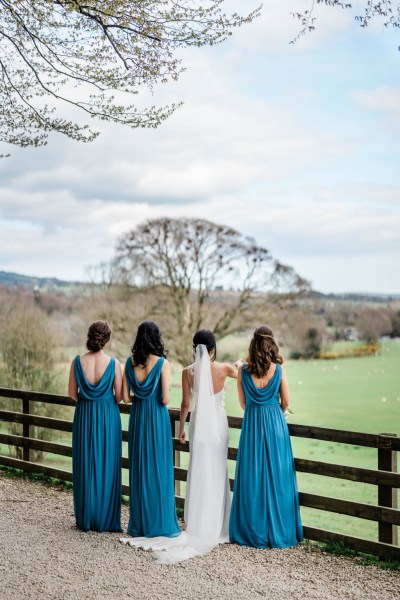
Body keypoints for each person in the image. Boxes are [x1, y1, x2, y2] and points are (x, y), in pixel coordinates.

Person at [121, 329, 238, 563]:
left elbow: (185, 404)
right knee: (217, 471)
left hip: (194, 425)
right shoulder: (224, 368)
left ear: (195, 349)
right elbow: (243, 376)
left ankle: (195, 522)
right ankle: (218, 524)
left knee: (196, 469)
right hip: (217, 424)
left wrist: (182, 428)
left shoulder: (187, 372)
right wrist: (240, 364)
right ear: (213, 349)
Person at [229, 325, 303, 549]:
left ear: (253, 344)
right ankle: (279, 530)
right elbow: (287, 402)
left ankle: (252, 531)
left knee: (253, 476)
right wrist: (274, 410)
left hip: (252, 424)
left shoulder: (243, 371)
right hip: (274, 425)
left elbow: (243, 403)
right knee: (277, 476)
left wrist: (256, 406)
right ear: (271, 344)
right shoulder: (279, 369)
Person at [120, 321, 180, 540]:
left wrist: (140, 397)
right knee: (159, 469)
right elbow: (165, 398)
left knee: (139, 467)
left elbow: (126, 398)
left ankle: (140, 524)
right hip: (156, 418)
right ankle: (160, 523)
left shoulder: (130, 362)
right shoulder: (163, 364)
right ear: (157, 338)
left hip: (137, 417)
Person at [68, 320, 123, 532]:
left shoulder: (76, 362)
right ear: (106, 340)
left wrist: (88, 399)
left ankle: (86, 518)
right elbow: (119, 396)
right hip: (108, 416)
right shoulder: (113, 364)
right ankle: (105, 518)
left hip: (84, 415)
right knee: (107, 463)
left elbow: (72, 393)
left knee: (84, 463)